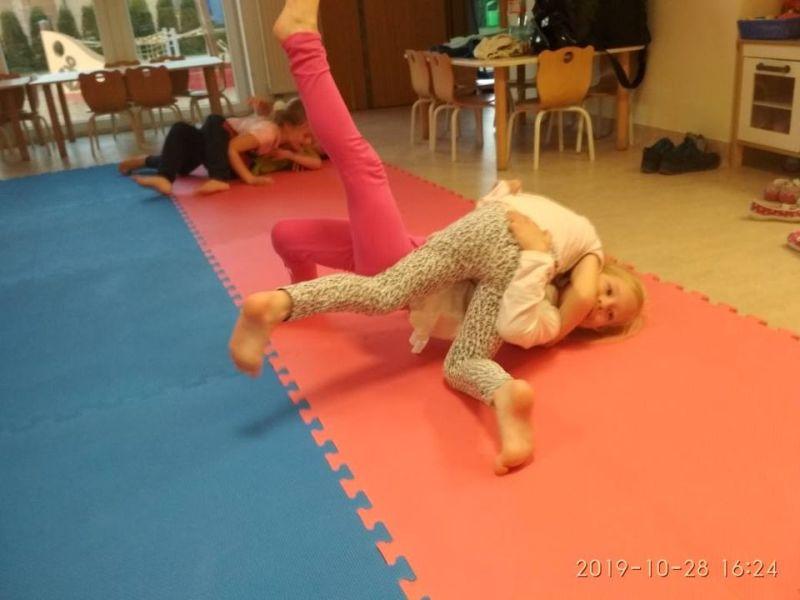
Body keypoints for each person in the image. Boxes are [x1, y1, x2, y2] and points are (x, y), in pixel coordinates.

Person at [228, 0, 646, 476]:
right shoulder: (573, 261)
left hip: (419, 258)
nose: (598, 307)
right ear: (609, 267)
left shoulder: (547, 289)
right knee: (293, 232)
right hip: (425, 250)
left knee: (363, 174)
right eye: (610, 293)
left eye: (605, 319)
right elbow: (560, 285)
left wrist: (546, 290)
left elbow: (545, 290)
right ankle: (294, 291)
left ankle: (303, 42)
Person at [118, 96, 313, 196]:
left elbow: (316, 160)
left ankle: (162, 174)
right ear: (289, 125)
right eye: (306, 135)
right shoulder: (268, 132)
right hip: (221, 147)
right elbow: (231, 147)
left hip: (221, 158)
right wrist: (250, 179)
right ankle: (159, 174)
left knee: (189, 131)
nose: (308, 142)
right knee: (203, 126)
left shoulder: (282, 138)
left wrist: (292, 155)